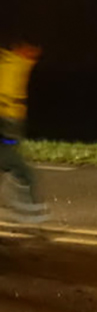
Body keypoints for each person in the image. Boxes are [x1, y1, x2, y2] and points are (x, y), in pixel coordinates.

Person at [0, 41, 47, 220]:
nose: (35, 53)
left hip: (11, 122)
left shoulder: (15, 63)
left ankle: (28, 207)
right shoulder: (12, 63)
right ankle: (29, 209)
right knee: (16, 164)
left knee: (9, 162)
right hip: (7, 123)